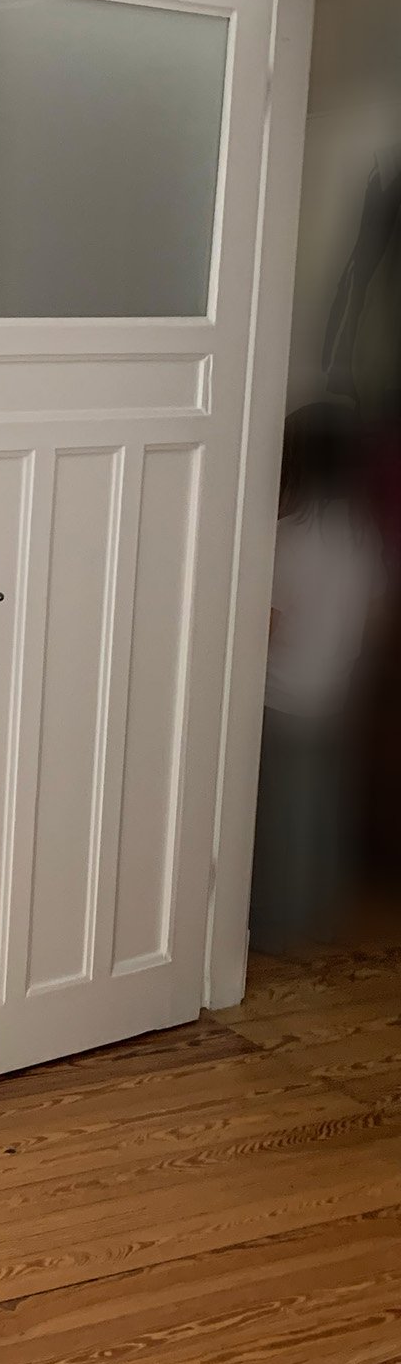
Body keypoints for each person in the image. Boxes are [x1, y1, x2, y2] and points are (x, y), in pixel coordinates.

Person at [249, 402, 386, 953]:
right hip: (334, 695)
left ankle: (277, 927)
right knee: (321, 812)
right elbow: (372, 616)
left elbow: (265, 629)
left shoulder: (286, 539)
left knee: (280, 818)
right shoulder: (362, 536)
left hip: (281, 698)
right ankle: (317, 919)